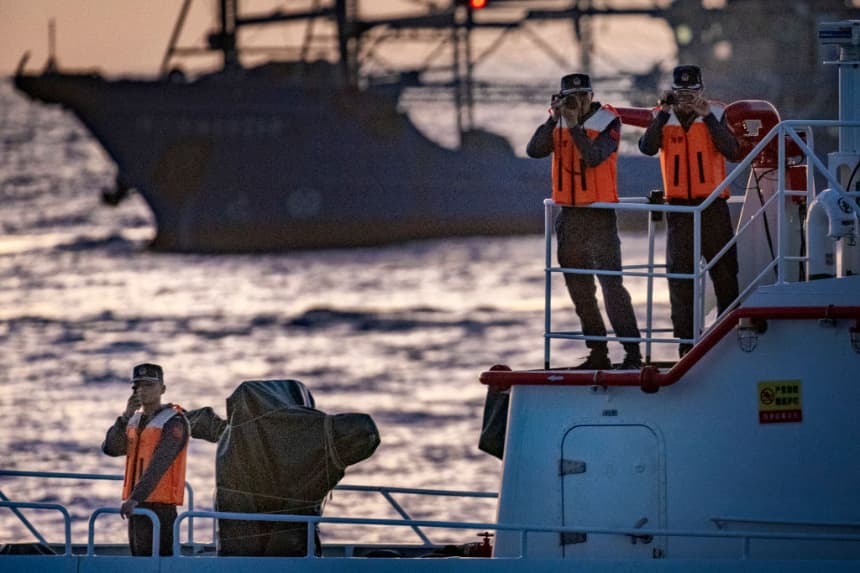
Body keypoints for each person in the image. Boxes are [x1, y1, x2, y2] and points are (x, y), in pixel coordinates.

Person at [527, 73, 642, 370]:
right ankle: (597, 352)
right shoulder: (559, 124)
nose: (577, 102)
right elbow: (534, 150)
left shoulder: (608, 122)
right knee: (580, 290)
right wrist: (554, 119)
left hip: (599, 216)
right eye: (570, 97)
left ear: (592, 96)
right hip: (569, 217)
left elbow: (593, 158)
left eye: (582, 96)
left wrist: (575, 125)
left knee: (611, 288)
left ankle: (633, 355)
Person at [638, 65, 741, 357]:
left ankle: (728, 334)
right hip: (679, 211)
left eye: (692, 93)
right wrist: (660, 114)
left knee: (724, 272)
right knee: (679, 277)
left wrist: (707, 115)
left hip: (712, 207)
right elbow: (646, 147)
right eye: (681, 93)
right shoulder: (663, 118)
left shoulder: (717, 115)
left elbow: (732, 150)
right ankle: (686, 343)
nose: (686, 99)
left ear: (701, 92)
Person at [102, 363, 190, 556]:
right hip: (136, 508)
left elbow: (159, 464)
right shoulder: (133, 421)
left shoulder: (174, 422)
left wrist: (135, 498)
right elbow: (110, 448)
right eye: (137, 386)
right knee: (139, 563)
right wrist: (125, 416)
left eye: (149, 385)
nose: (142, 390)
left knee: (160, 564)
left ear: (163, 389)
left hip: (160, 510)